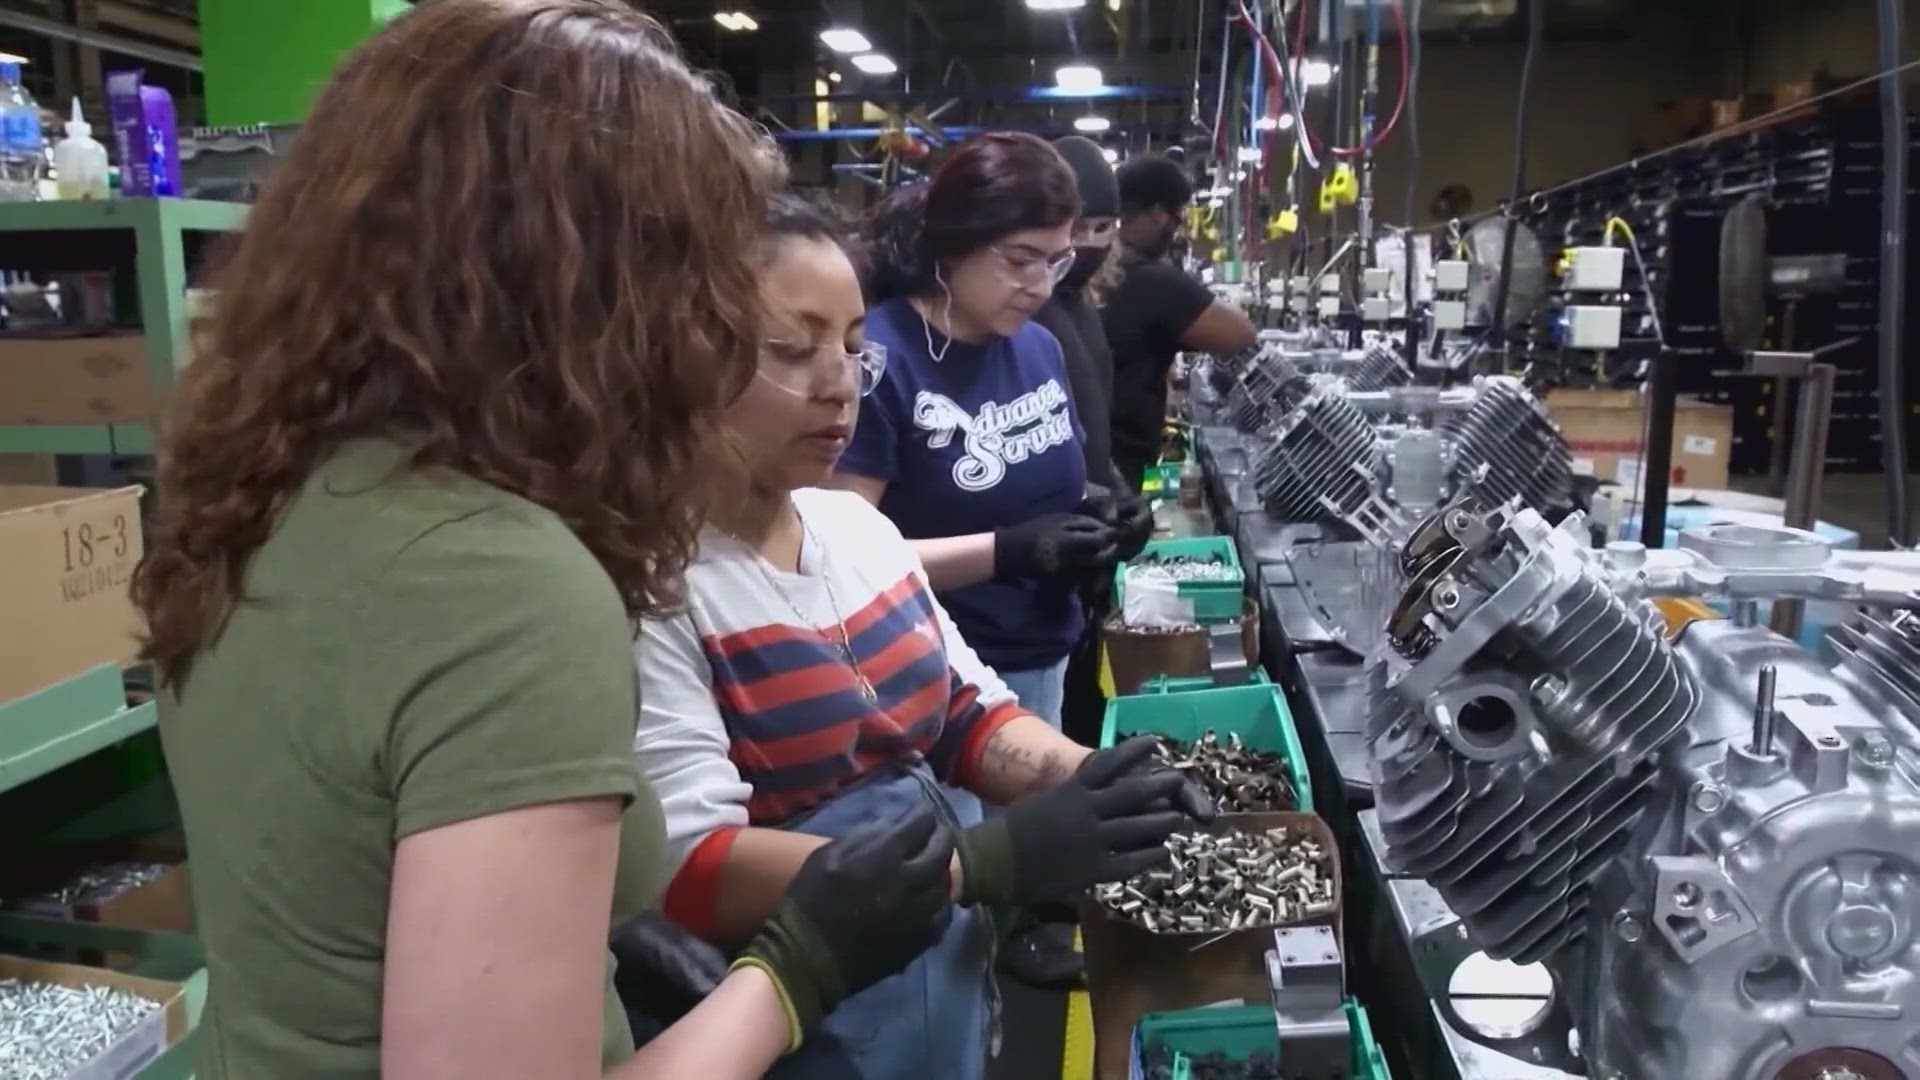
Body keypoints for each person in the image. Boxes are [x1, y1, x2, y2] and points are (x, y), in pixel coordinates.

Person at [132, 4, 961, 1077]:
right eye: (699, 279)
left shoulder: (273, 498)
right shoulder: (502, 586)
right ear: (599, 290)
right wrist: (795, 975)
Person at [635, 194, 1214, 1078]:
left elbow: (961, 710)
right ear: (679, 358)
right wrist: (982, 862)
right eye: (792, 350)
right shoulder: (651, 587)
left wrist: (1086, 783)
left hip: (934, 983)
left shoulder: (855, 531)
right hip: (792, 1017)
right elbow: (689, 869)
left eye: (855, 348)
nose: (839, 383)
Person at [831, 132, 1121, 726]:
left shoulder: (1036, 345)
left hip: (1046, 654)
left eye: (1055, 261)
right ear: (954, 246)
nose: (1040, 286)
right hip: (934, 681)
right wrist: (1004, 553)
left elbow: (1033, 478)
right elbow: (839, 559)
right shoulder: (881, 361)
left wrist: (1099, 512)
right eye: (1019, 260)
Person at [1017, 135, 1152, 988]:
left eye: (1101, 229)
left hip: (1075, 568)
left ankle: (1054, 884)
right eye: (1076, 230)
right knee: (1029, 742)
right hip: (1017, 585)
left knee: (1070, 709)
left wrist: (1111, 495)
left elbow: (1078, 431)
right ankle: (1025, 908)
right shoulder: (1026, 319)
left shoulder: (1077, 311)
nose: (1086, 249)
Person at [1104, 154, 1260, 490]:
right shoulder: (1150, 277)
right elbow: (1241, 336)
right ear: (1158, 213)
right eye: (1176, 221)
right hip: (1119, 460)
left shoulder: (1103, 265)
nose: (1174, 233)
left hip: (1095, 452)